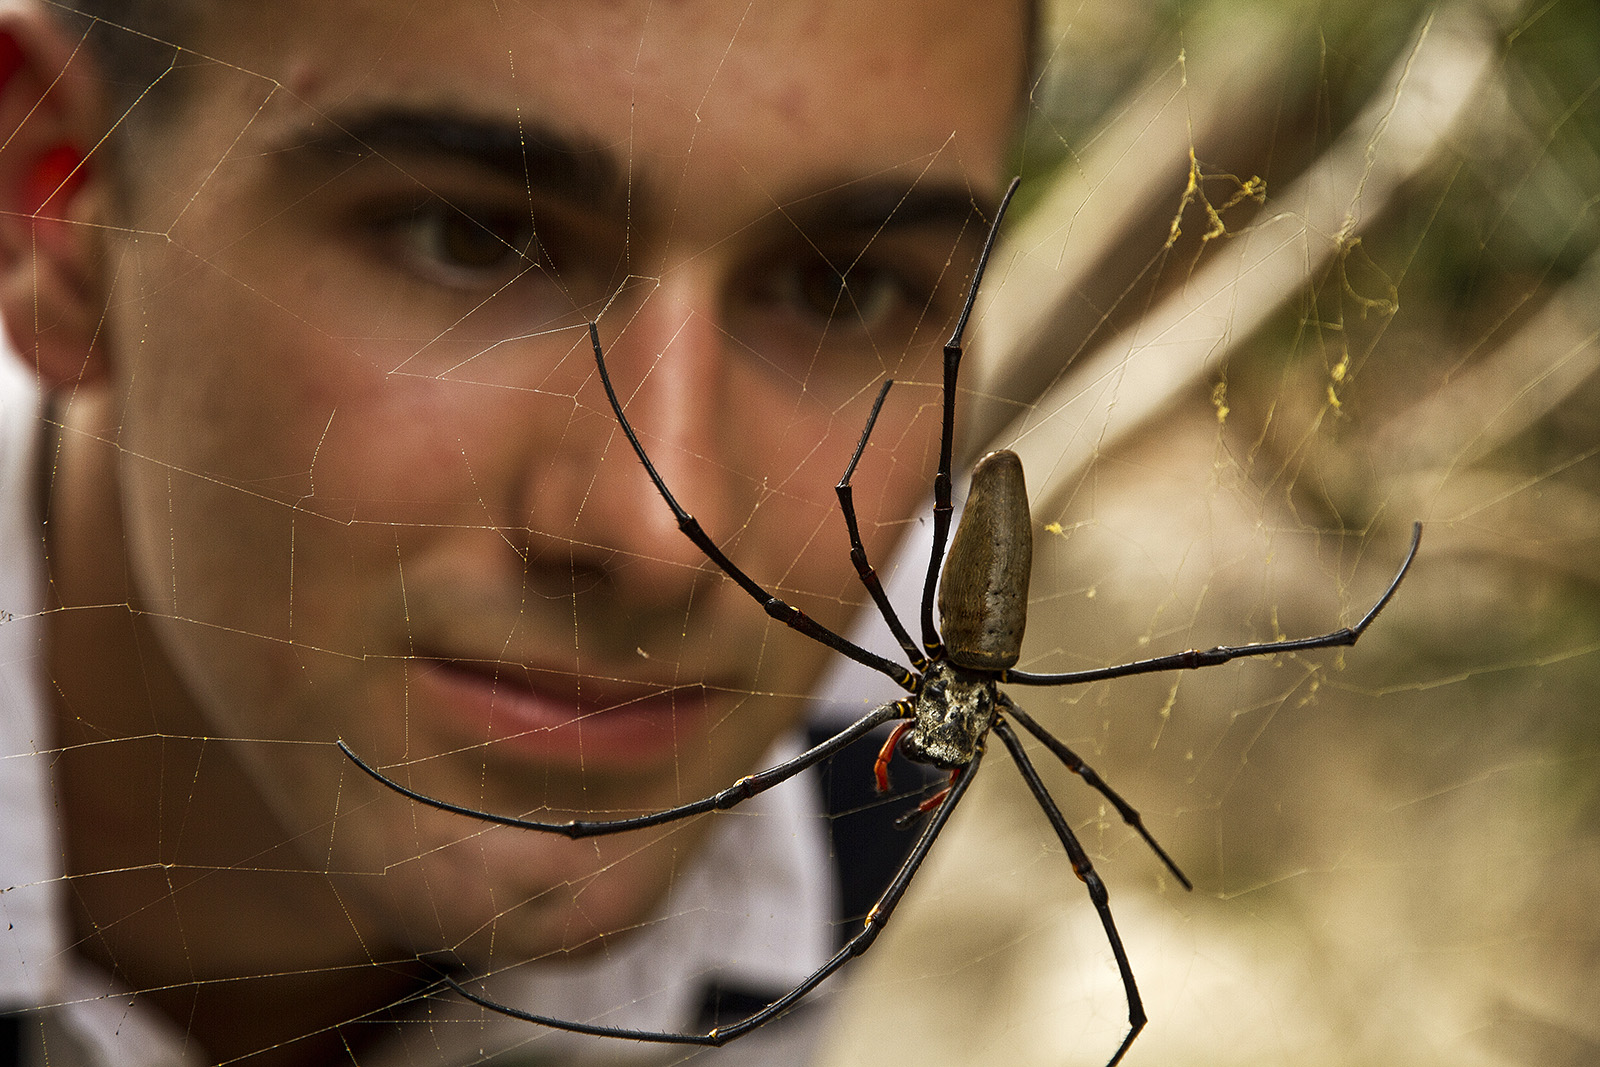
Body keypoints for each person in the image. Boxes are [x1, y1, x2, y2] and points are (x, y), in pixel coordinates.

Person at [0, 1, 1029, 1063]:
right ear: (60, 215)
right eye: (470, 238)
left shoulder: (855, 784)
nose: (658, 537)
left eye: (841, 287)